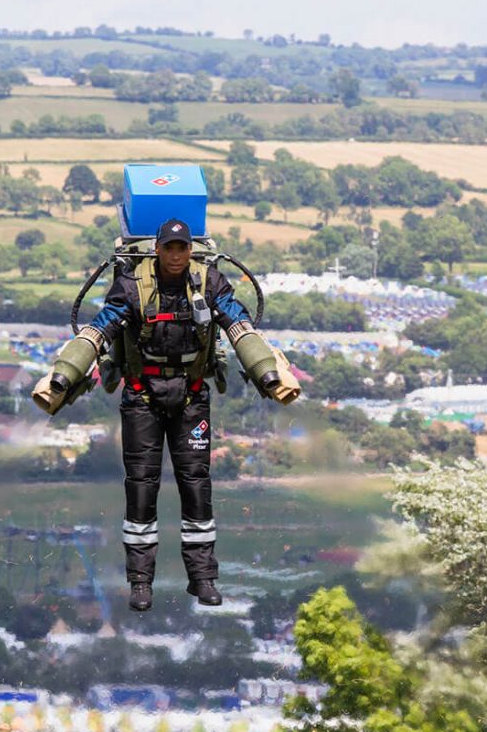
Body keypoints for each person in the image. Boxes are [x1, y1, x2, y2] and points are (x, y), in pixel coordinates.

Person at [33, 217, 298, 611]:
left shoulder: (209, 282)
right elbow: (99, 329)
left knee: (196, 484)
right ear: (157, 249)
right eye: (169, 248)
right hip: (141, 396)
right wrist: (61, 376)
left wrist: (268, 373)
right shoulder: (131, 286)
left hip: (191, 396)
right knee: (141, 485)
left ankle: (203, 578)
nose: (176, 256)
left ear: (191, 250)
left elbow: (237, 323)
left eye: (183, 248)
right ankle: (141, 582)